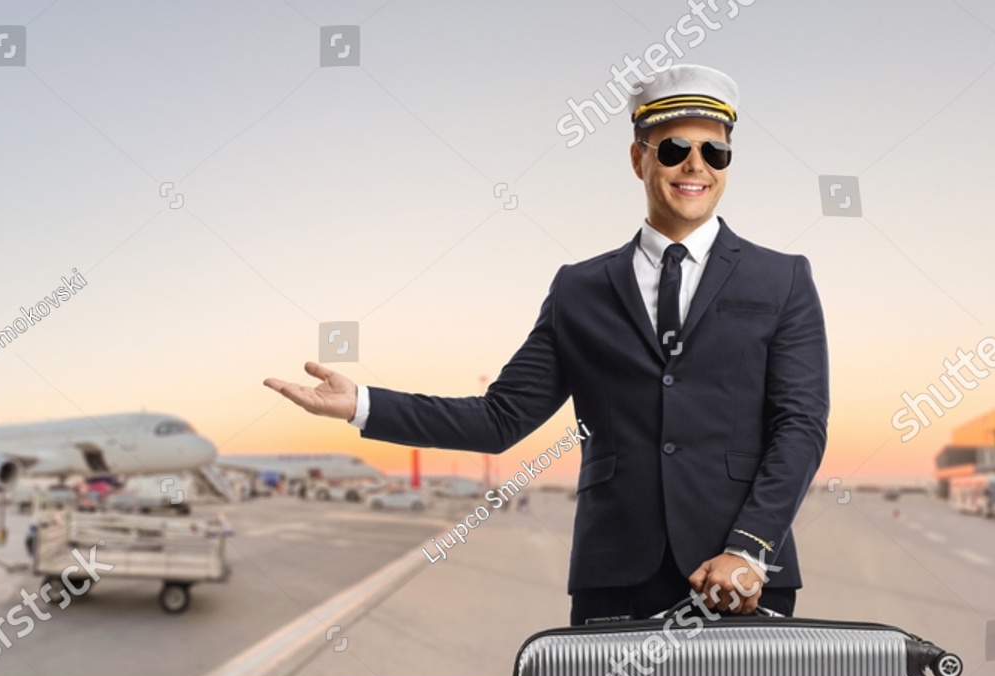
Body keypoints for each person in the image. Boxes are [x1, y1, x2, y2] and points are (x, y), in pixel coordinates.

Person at [265, 65, 828, 623]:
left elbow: (800, 424)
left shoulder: (781, 278)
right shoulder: (578, 289)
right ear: (638, 158)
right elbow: (500, 418)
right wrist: (363, 403)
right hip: (614, 577)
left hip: (737, 577)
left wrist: (750, 548)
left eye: (715, 152)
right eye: (674, 147)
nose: (695, 165)